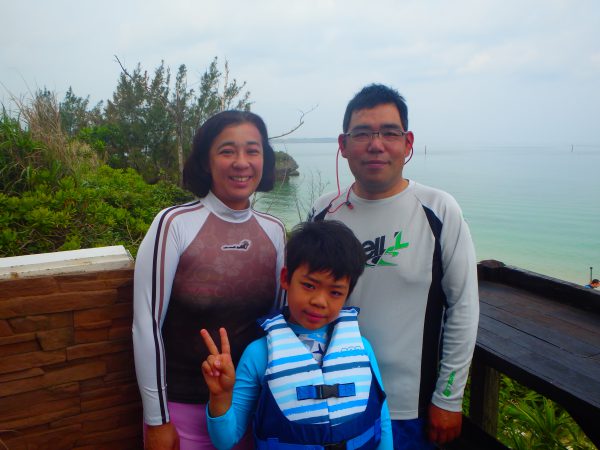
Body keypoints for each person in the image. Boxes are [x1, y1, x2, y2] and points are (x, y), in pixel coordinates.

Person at [308, 84, 480, 449]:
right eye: (362, 134)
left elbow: (463, 306)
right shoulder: (323, 212)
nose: (376, 145)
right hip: (330, 401)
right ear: (343, 145)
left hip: (408, 409)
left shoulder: (439, 210)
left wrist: (449, 398)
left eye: (389, 133)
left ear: (408, 142)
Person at [133, 110, 286, 450]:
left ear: (264, 159)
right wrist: (157, 420)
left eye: (252, 150)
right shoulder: (173, 224)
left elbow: (279, 324)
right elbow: (146, 326)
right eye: (227, 151)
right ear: (206, 161)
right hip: (182, 410)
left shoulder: (274, 231)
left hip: (250, 409)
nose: (241, 162)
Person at [200, 220, 393, 449]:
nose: (319, 301)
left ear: (347, 294)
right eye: (309, 285)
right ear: (285, 278)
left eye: (335, 292)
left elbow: (382, 421)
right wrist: (220, 396)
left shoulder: (362, 348)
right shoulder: (259, 355)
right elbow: (225, 441)